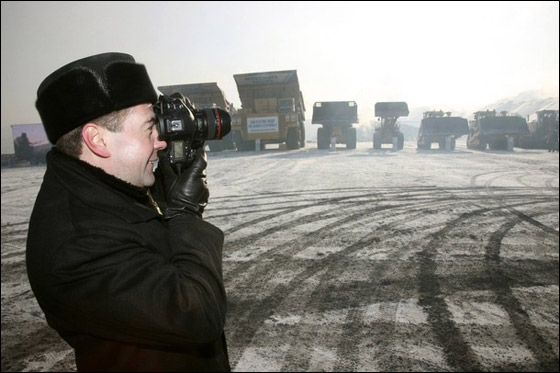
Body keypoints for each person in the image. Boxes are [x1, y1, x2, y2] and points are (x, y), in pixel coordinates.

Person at [26, 52, 230, 372]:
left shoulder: (110, 183)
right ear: (97, 140)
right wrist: (186, 213)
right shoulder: (75, 246)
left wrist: (177, 162)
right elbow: (197, 315)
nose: (161, 142)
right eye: (150, 128)